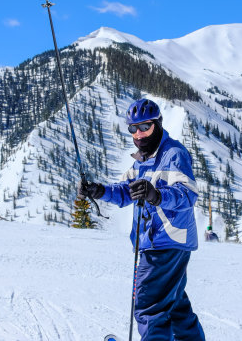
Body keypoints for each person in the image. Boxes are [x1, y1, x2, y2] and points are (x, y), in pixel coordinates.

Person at [78, 98, 205, 341]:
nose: (139, 134)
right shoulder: (142, 160)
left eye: (145, 127)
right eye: (133, 129)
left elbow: (187, 195)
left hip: (164, 242)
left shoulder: (173, 154)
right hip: (165, 242)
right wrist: (98, 190)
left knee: (149, 307)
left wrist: (156, 195)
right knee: (175, 306)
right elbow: (126, 191)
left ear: (157, 125)